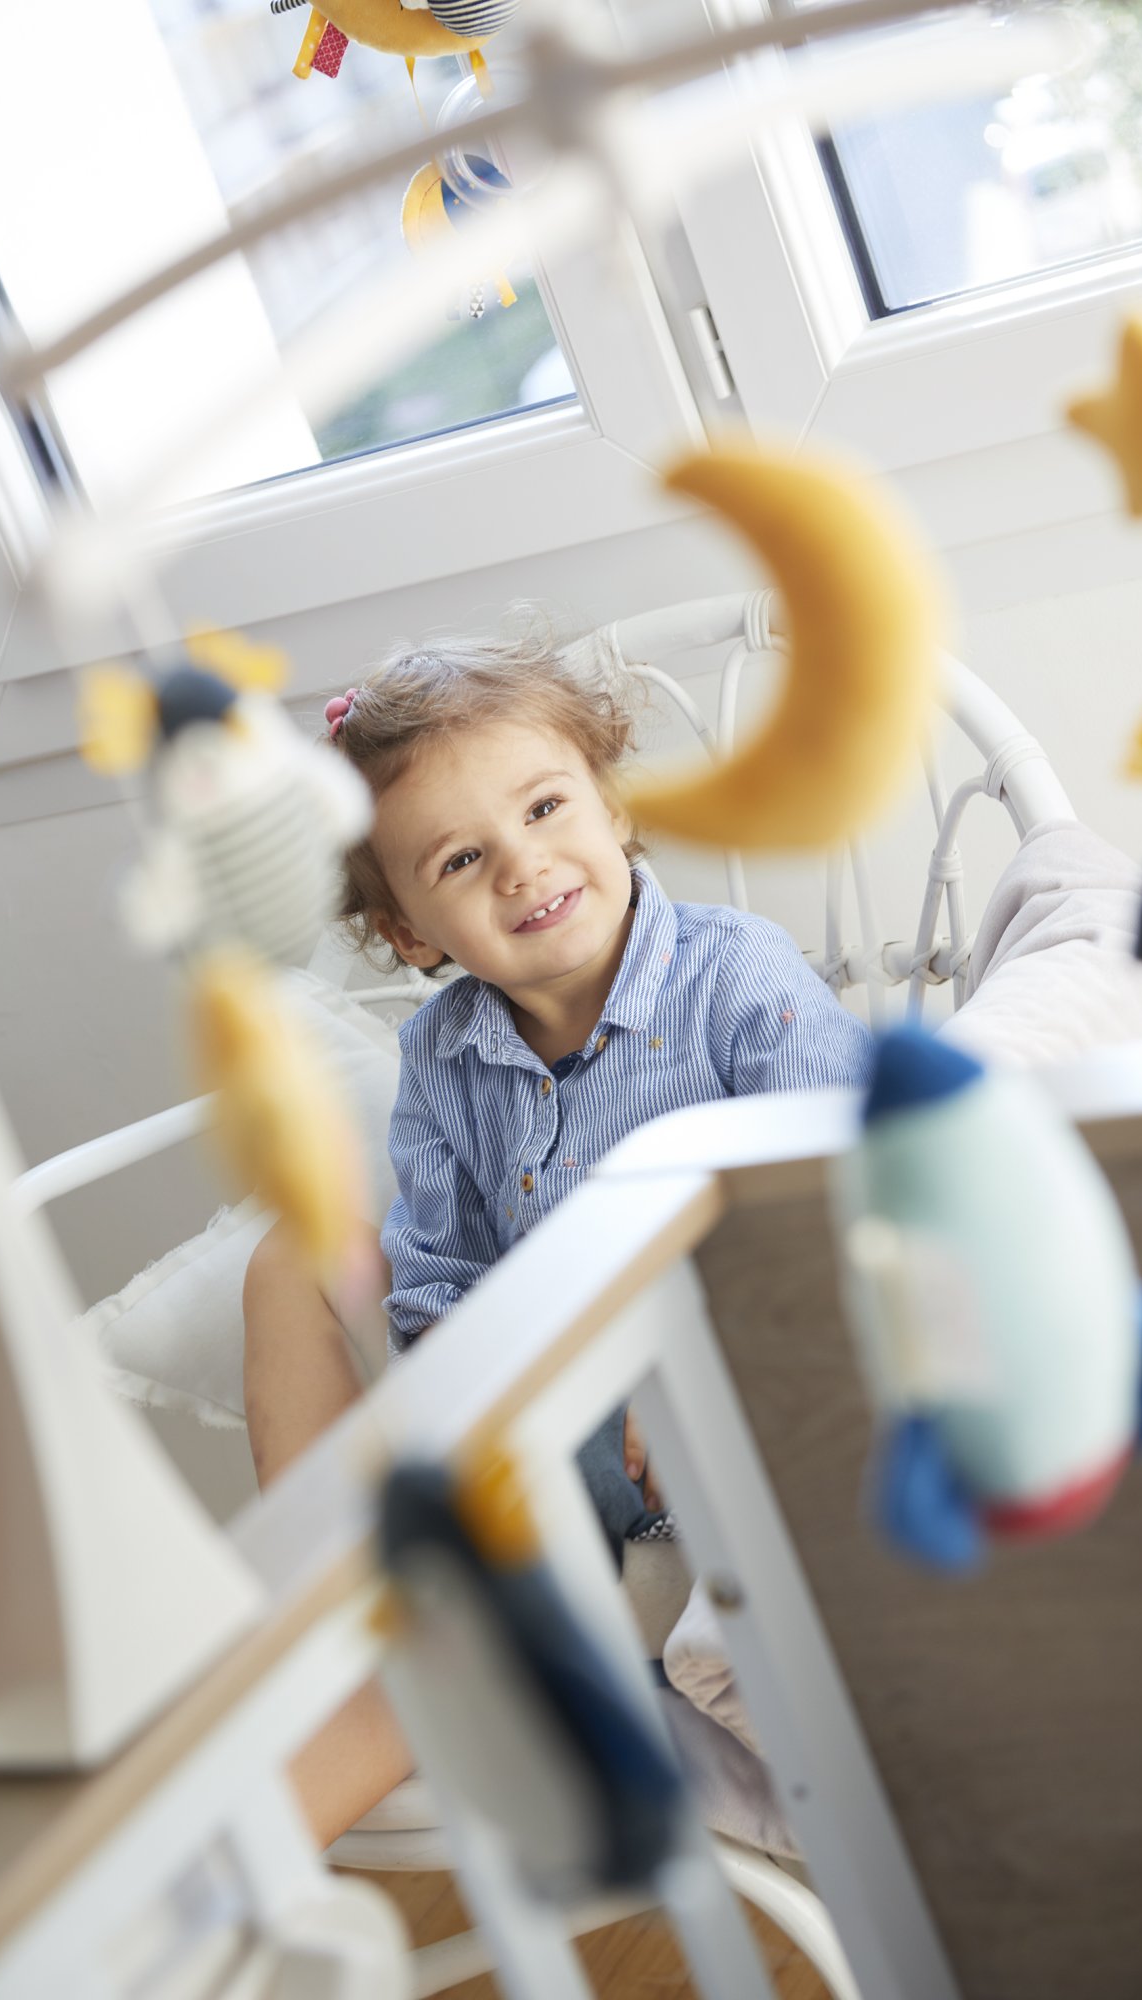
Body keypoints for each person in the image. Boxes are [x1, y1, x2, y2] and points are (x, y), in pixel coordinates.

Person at [243, 624, 875, 1844]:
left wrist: (683, 1346)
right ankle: (344, 1614)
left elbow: (827, 1191)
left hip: (731, 1408)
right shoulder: (441, 1057)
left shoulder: (735, 978)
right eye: (460, 858)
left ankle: (408, 1659)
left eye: (543, 808)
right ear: (410, 932)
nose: (522, 866)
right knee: (310, 1285)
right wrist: (495, 1405)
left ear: (611, 804)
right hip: (549, 1434)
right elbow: (437, 1285)